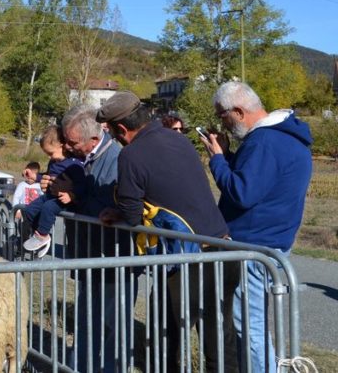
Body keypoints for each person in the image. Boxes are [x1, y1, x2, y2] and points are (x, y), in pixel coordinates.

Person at [97, 91, 239, 373]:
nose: (115, 139)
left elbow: (134, 215)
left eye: (113, 133)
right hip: (224, 248)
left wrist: (119, 211)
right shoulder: (178, 139)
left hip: (187, 261)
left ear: (121, 129)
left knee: (163, 336)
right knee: (220, 338)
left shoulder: (131, 156)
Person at [200, 81, 313, 373]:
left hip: (254, 246)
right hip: (272, 241)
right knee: (256, 322)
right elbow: (262, 181)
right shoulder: (286, 136)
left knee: (249, 325)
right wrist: (228, 157)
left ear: (237, 111)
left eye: (221, 116)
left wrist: (216, 160)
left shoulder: (265, 141)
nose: (220, 122)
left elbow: (242, 192)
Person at [59, 103, 126, 373]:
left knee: (111, 322)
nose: (68, 146)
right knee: (87, 319)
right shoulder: (87, 158)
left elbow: (108, 205)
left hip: (109, 255)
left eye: (73, 142)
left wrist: (74, 196)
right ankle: (81, 367)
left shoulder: (116, 157)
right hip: (90, 253)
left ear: (94, 139)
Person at [21, 126, 85, 256]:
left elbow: (82, 185)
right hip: (50, 194)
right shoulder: (53, 162)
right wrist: (35, 177)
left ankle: (42, 235)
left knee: (48, 207)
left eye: (51, 153)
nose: (50, 157)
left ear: (62, 146)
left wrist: (71, 196)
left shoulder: (74, 164)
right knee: (29, 210)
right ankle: (38, 236)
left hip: (63, 199)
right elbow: (48, 176)